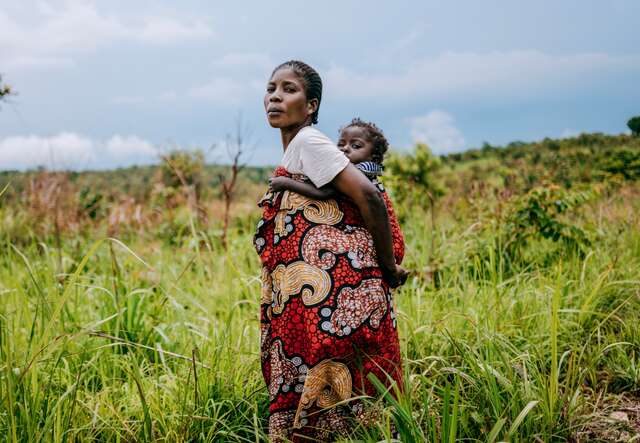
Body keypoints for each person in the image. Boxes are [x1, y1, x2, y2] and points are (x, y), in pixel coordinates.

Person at [254, 60, 407, 442]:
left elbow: (368, 195)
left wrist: (388, 266)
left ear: (311, 107)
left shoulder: (309, 141)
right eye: (271, 88)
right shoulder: (297, 149)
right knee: (330, 378)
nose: (275, 95)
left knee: (338, 377)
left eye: (289, 89)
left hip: (338, 295)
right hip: (318, 295)